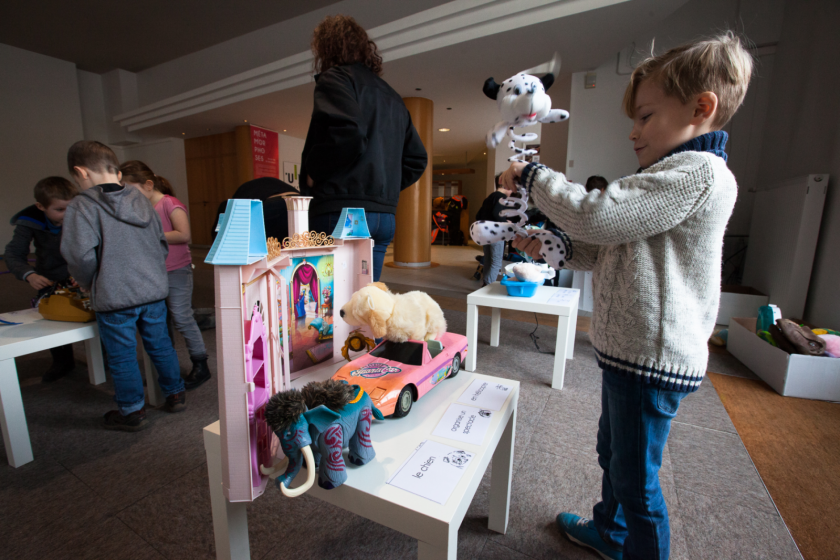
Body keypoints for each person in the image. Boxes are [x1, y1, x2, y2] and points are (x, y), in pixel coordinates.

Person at [503, 33, 752, 560]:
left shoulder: (699, 173)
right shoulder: (668, 173)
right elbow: (609, 247)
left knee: (638, 484)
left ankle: (631, 541)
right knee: (613, 453)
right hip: (629, 352)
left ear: (701, 108)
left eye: (646, 116)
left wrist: (533, 173)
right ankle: (611, 534)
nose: (635, 132)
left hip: (653, 358)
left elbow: (598, 214)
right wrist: (552, 245)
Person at [61, 141, 187, 432]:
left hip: (115, 295)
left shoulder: (82, 205)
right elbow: (160, 242)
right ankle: (176, 393)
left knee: (122, 355)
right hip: (153, 290)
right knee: (161, 345)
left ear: (80, 172)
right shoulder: (140, 197)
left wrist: (87, 281)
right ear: (115, 170)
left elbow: (79, 255)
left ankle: (132, 411)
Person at [300, 15, 428, 282]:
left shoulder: (336, 78)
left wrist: (314, 170)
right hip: (383, 215)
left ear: (327, 47)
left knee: (330, 308)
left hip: (342, 210)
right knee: (366, 307)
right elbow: (416, 158)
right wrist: (385, 185)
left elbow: (349, 133)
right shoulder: (392, 95)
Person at [121, 160, 212, 390]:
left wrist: (150, 233)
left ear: (148, 185)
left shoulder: (169, 203)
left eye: (130, 189)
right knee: (158, 321)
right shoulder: (140, 209)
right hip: (152, 273)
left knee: (181, 316)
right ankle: (167, 369)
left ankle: (201, 364)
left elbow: (183, 235)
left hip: (177, 270)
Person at [4, 177, 79, 382]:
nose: (67, 215)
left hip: (81, 275)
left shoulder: (81, 215)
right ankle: (63, 362)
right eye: (60, 210)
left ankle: (105, 358)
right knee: (53, 321)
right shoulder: (29, 221)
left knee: (96, 316)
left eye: (70, 208)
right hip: (50, 277)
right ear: (41, 207)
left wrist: (85, 274)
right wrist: (30, 275)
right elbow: (13, 254)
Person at [211, 177, 298, 242]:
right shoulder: (243, 192)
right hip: (299, 200)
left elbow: (220, 235)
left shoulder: (234, 205)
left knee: (268, 249)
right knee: (292, 244)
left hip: (273, 203)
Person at [475, 174, 514, 285]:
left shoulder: (489, 198)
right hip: (496, 233)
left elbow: (478, 216)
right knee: (496, 262)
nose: (512, 191)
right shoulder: (502, 198)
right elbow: (496, 213)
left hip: (485, 234)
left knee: (488, 260)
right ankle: (488, 286)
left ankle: (485, 285)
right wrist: (507, 223)